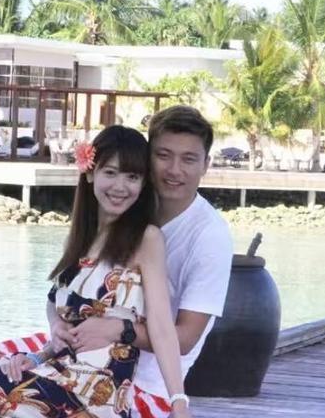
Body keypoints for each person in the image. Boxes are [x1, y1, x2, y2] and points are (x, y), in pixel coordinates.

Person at [0, 125, 191, 418]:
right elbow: (56, 303)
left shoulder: (146, 239)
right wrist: (42, 347)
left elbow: (161, 326)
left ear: (143, 184)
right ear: (90, 173)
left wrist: (179, 402)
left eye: (132, 177)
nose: (120, 186)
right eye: (110, 172)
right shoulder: (83, 237)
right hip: (55, 370)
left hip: (92, 390)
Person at [47, 105, 233, 416]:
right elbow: (61, 293)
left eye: (189, 159)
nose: (174, 170)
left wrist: (118, 329)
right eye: (163, 155)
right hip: (80, 359)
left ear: (206, 165)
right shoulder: (123, 209)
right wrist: (57, 325)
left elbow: (184, 339)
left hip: (144, 382)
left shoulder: (208, 237)